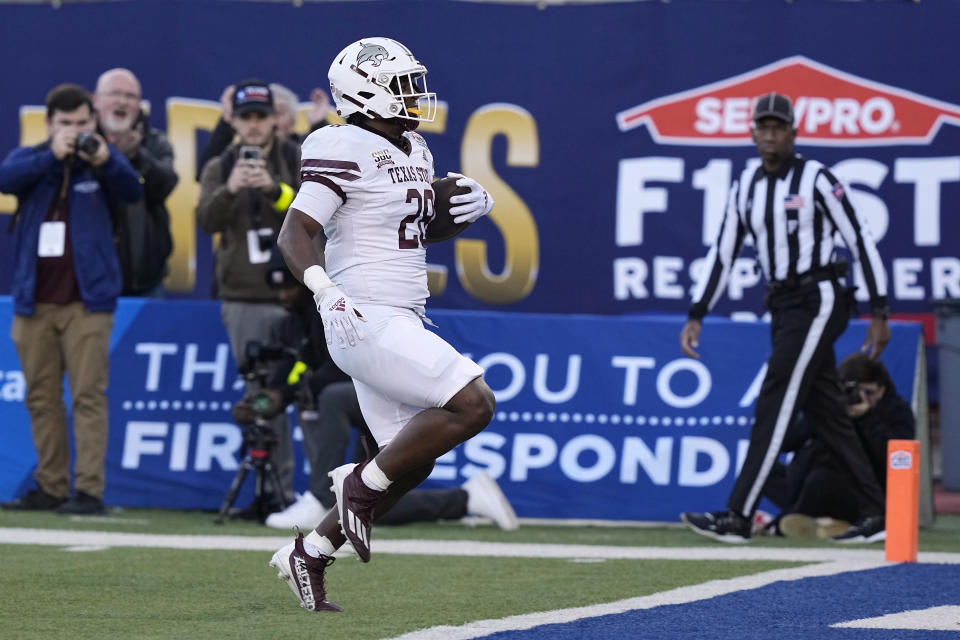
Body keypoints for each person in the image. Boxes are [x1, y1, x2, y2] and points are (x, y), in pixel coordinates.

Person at [268, 37, 497, 612]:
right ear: (364, 93)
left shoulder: (413, 147)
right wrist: (324, 291)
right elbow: (295, 231)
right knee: (472, 406)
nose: (415, 95)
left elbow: (411, 229)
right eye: (403, 85)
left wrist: (461, 213)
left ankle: (313, 551)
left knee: (408, 463)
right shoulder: (341, 142)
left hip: (398, 314)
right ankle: (355, 487)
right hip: (362, 314)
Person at [678, 92, 891, 544]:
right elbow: (724, 251)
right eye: (764, 126)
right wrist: (697, 312)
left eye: (779, 127)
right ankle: (877, 511)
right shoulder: (746, 185)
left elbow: (860, 239)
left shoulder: (815, 177)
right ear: (753, 132)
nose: (771, 134)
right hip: (783, 305)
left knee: (775, 397)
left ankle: (738, 515)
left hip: (820, 297)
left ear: (793, 133)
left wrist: (879, 310)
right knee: (827, 411)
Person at [251, 257, 516, 532]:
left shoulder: (336, 305)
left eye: (289, 288)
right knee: (371, 502)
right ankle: (467, 499)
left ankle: (320, 496)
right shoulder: (290, 323)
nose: (283, 296)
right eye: (277, 290)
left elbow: (340, 368)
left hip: (379, 389)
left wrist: (292, 392)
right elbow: (288, 369)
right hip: (365, 402)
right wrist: (274, 394)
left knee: (330, 399)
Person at [0, 84, 141, 515]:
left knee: (87, 397)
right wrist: (52, 154)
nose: (75, 131)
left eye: (82, 122)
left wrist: (102, 156)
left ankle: (89, 491)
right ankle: (51, 486)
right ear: (49, 124)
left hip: (87, 302)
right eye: (66, 124)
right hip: (33, 301)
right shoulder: (34, 159)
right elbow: (6, 178)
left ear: (92, 121)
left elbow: (133, 191)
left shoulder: (103, 162)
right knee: (41, 397)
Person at [196, 78, 302, 508]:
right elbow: (205, 220)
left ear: (276, 118)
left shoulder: (297, 156)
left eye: (262, 116)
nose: (255, 125)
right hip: (242, 295)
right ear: (235, 121)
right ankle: (267, 494)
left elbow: (320, 213)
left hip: (297, 295)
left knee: (304, 397)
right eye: (247, 117)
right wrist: (233, 188)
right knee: (257, 398)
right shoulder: (219, 165)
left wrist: (273, 190)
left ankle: (295, 495)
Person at [764, 353, 915, 539]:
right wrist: (823, 411)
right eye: (853, 391)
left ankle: (789, 520)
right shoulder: (832, 405)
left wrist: (867, 418)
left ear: (881, 389)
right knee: (763, 469)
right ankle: (824, 522)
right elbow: (787, 443)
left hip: (863, 489)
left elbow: (896, 461)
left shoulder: (895, 409)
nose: (860, 398)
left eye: (868, 392)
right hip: (811, 483)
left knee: (820, 479)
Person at [93, 68, 177, 297]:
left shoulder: (155, 143)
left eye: (131, 97)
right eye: (114, 94)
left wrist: (136, 156)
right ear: (96, 101)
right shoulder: (82, 140)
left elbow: (165, 186)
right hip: (90, 281)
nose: (122, 101)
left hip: (146, 282)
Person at [196, 83, 330, 180]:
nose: (273, 122)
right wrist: (226, 123)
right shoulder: (234, 155)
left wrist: (319, 125)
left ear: (293, 122)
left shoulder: (301, 154)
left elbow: (330, 175)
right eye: (263, 114)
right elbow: (204, 174)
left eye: (280, 113)